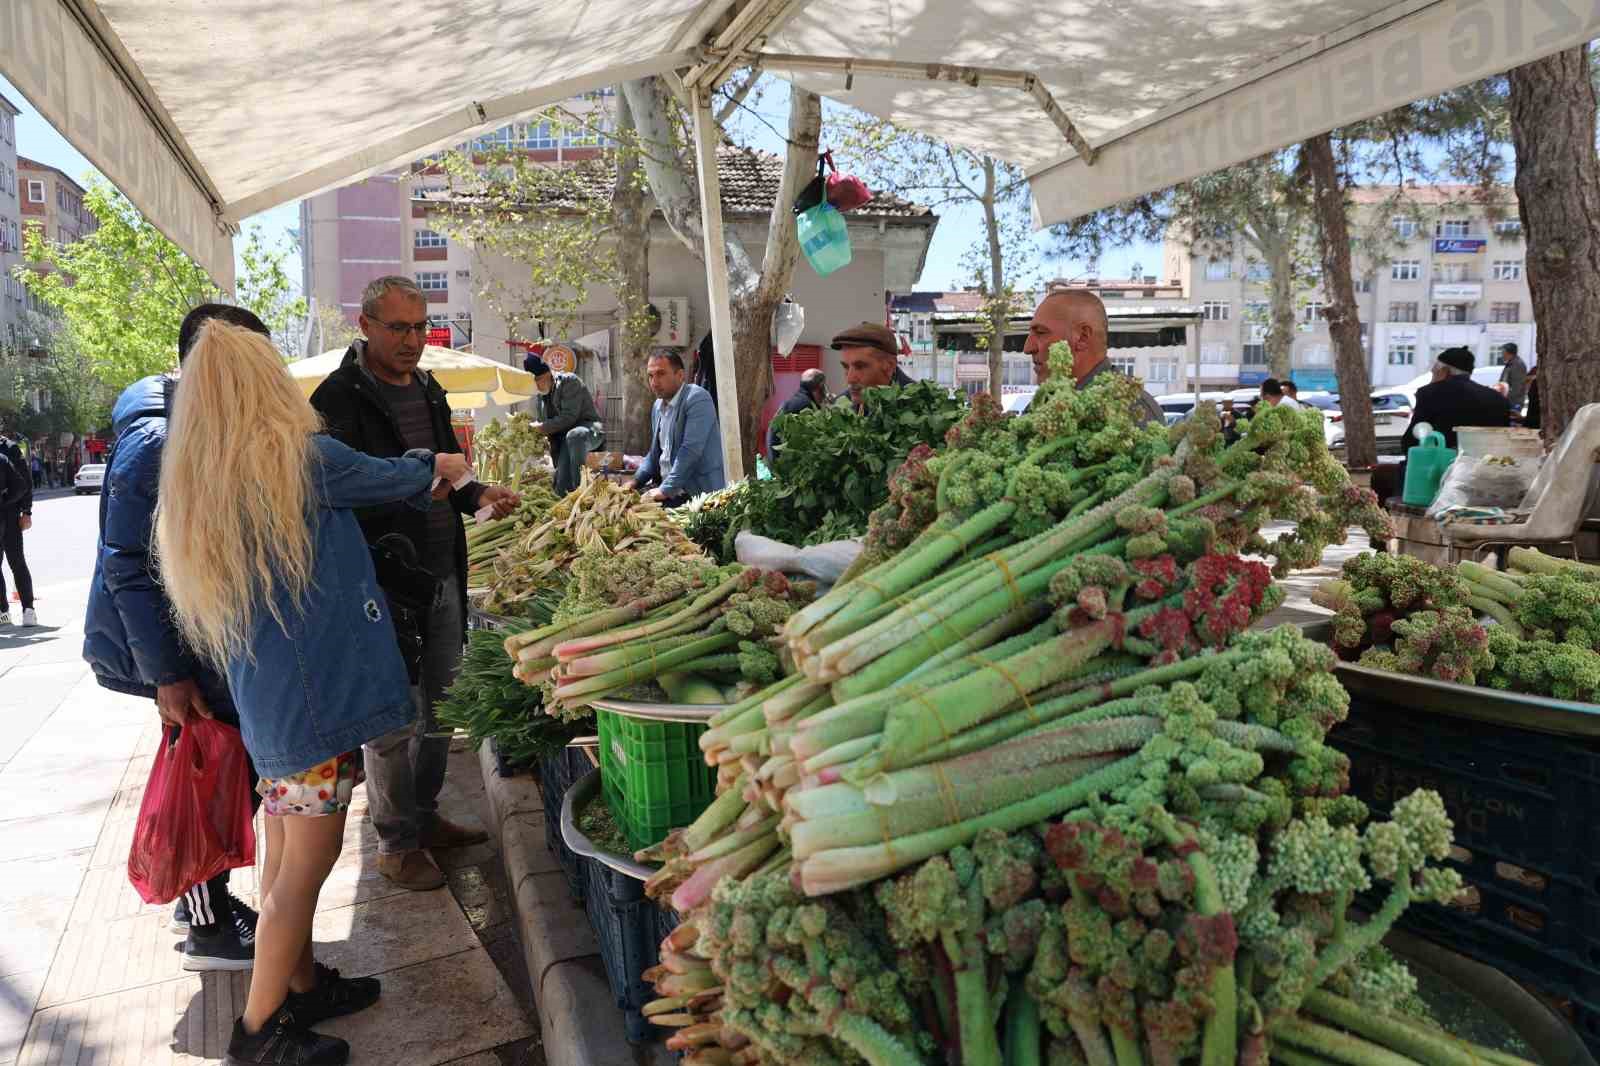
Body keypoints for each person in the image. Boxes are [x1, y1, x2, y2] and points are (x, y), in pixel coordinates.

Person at [156, 319, 470, 1066]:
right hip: (313, 707)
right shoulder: (295, 457)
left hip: (274, 706)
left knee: (283, 850)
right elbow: (387, 476)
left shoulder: (202, 476)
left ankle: (301, 986)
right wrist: (442, 462)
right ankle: (260, 1029)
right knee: (306, 864)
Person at [82, 306, 280, 970]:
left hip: (206, 642)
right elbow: (126, 566)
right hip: (178, 651)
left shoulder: (199, 424)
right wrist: (167, 674)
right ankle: (209, 928)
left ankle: (205, 901)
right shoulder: (158, 439)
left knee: (226, 773)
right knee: (205, 783)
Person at [310, 276, 518, 891]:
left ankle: (424, 816)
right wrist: (416, 483)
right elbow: (341, 488)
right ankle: (396, 844)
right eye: (398, 327)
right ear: (365, 325)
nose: (412, 340)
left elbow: (451, 472)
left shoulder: (428, 388)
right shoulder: (338, 398)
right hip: (380, 584)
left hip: (442, 568)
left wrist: (479, 495)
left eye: (420, 327)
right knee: (392, 720)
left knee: (442, 706)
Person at [1022, 289, 1165, 424]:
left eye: (1040, 332)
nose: (1028, 348)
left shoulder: (1130, 408)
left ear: (1083, 337)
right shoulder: (1042, 404)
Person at [633, 349, 725, 505]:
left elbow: (690, 450)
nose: (654, 382)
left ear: (680, 375)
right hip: (669, 491)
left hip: (697, 495)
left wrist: (665, 490)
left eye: (661, 374)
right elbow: (655, 454)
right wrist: (635, 481)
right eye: (650, 376)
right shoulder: (657, 406)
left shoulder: (697, 398)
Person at [1400, 347, 1511, 451]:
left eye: (1434, 372)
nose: (1432, 376)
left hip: (1441, 461)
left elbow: (1412, 439)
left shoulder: (1429, 393)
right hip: (1485, 459)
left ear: (1444, 371)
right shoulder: (1498, 398)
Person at [524, 353, 604, 496]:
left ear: (547, 374)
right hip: (565, 441)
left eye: (537, 380)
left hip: (588, 431)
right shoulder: (541, 397)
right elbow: (550, 431)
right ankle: (569, 493)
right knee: (560, 487)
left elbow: (569, 417)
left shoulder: (569, 381)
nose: (536, 386)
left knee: (574, 435)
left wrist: (541, 427)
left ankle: (582, 492)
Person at [831, 322, 912, 412]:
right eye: (846, 367)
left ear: (889, 366)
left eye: (860, 367)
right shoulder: (839, 408)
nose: (850, 379)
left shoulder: (919, 408)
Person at [0, 427, 35, 627]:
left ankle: (28, 609)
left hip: (11, 513)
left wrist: (26, 511)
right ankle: (3, 611)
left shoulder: (10, 448)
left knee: (17, 561)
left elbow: (25, 482)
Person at [766, 368, 828, 458]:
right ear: (821, 386)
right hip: (783, 460)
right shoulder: (806, 407)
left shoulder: (795, 401)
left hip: (774, 457)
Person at [1499, 342, 1529, 414]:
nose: (1502, 355)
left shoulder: (1517, 365)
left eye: (1503, 352)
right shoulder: (1510, 364)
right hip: (1509, 401)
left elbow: (1517, 387)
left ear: (1509, 353)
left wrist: (1505, 397)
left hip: (1514, 403)